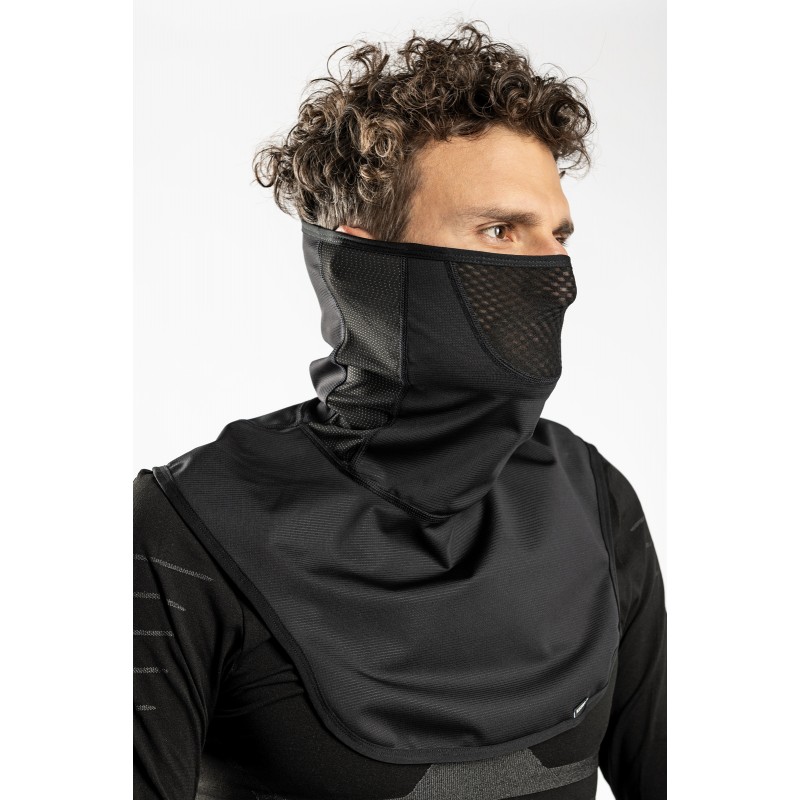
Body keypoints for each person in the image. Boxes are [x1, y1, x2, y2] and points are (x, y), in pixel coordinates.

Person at [134, 21, 666, 800]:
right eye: (499, 230)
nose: (556, 276)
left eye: (556, 236)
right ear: (368, 266)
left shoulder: (592, 498)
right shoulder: (191, 529)